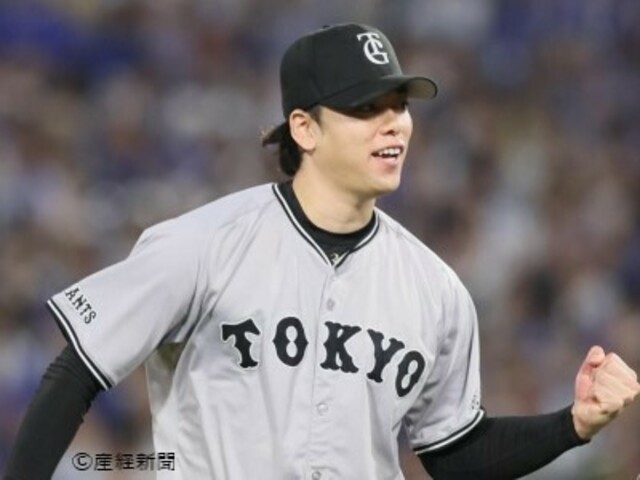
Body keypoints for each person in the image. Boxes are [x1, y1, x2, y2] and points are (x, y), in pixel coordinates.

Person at [4, 23, 639, 480]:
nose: (394, 123)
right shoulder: (202, 245)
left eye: (399, 105)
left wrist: (571, 425)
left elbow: (456, 453)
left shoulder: (436, 289)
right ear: (304, 128)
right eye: (366, 107)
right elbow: (76, 373)